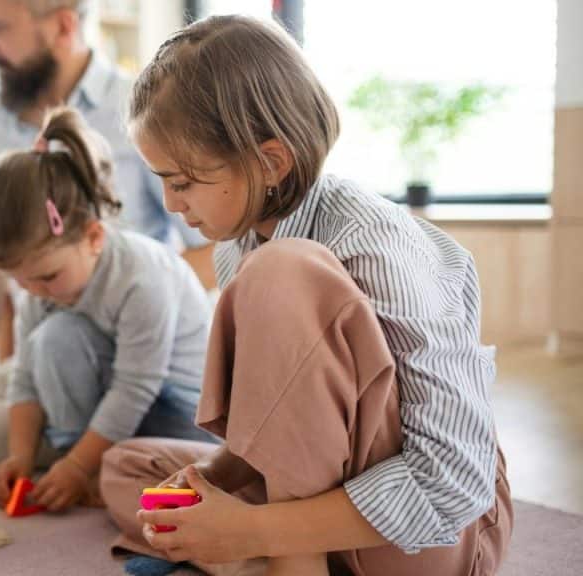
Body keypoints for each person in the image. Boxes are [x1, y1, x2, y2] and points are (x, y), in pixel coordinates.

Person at [99, 15, 512, 576]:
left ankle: (272, 552)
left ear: (270, 161)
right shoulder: (238, 244)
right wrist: (218, 479)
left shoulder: (371, 244)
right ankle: (265, 548)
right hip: (325, 502)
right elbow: (288, 417)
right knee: (129, 468)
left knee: (281, 272)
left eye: (182, 182)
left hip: (434, 537)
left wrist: (252, 528)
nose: (172, 205)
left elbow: (452, 478)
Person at [0, 108, 214, 508]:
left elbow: (134, 388)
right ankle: (75, 455)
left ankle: (85, 462)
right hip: (99, 397)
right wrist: (19, 456)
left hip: (175, 414)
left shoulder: (141, 275)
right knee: (46, 343)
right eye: (21, 282)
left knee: (59, 336)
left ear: (94, 237)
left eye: (46, 277)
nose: (35, 292)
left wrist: (77, 466)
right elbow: (24, 377)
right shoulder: (42, 284)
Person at [0, 0, 214, 368]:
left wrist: (129, 308)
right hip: (40, 353)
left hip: (136, 349)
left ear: (63, 26)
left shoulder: (149, 111)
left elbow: (212, 251)